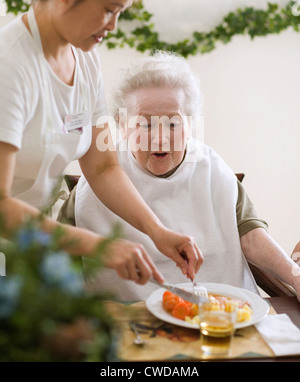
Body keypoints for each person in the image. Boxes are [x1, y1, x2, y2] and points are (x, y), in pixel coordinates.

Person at [0, 0, 203, 285]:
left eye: (120, 12)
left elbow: (103, 166)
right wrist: (99, 246)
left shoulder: (84, 60)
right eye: (108, 9)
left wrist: (157, 232)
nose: (112, 26)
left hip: (37, 244)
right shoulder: (10, 65)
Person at [60, 51, 300, 302]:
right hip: (130, 322)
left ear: (191, 122)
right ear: (122, 124)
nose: (160, 138)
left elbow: (252, 238)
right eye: (145, 124)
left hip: (218, 315)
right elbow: (58, 252)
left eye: (173, 124)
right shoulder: (99, 176)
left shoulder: (213, 170)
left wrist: (295, 275)